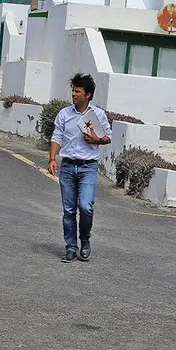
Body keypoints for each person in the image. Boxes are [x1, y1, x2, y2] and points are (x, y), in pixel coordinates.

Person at [47, 74, 112, 263]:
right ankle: (70, 247)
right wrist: (52, 158)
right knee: (68, 210)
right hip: (67, 167)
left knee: (85, 206)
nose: (73, 94)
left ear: (88, 95)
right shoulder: (64, 114)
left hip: (88, 167)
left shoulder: (97, 115)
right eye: (73, 91)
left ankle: (84, 238)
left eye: (77, 91)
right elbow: (56, 137)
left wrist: (97, 140)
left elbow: (108, 137)